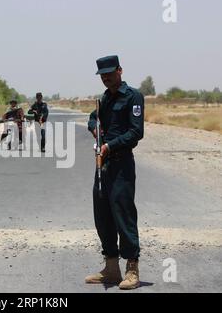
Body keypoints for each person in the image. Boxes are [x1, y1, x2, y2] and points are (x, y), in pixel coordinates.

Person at [85, 55, 144, 290]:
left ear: (120, 70)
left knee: (123, 215)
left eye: (110, 73)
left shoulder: (133, 97)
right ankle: (111, 268)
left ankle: (132, 270)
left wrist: (110, 145)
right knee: (102, 215)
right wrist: (95, 131)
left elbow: (136, 132)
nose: (106, 77)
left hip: (121, 164)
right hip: (104, 165)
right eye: (102, 75)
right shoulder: (105, 99)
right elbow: (93, 118)